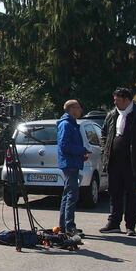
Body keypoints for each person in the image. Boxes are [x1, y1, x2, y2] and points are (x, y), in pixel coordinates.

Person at [99, 88, 136, 236]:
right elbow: (104, 133)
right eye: (114, 100)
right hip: (114, 160)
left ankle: (130, 226)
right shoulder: (112, 115)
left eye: (117, 100)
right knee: (114, 192)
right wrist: (105, 148)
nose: (115, 102)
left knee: (131, 194)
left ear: (127, 100)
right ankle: (114, 223)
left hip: (132, 161)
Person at [56, 99, 89, 236]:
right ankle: (70, 227)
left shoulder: (72, 124)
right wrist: (82, 150)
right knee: (72, 195)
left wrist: (81, 154)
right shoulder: (66, 124)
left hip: (73, 162)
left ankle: (64, 226)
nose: (80, 109)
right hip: (69, 164)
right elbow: (64, 146)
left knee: (67, 194)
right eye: (78, 107)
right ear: (71, 109)